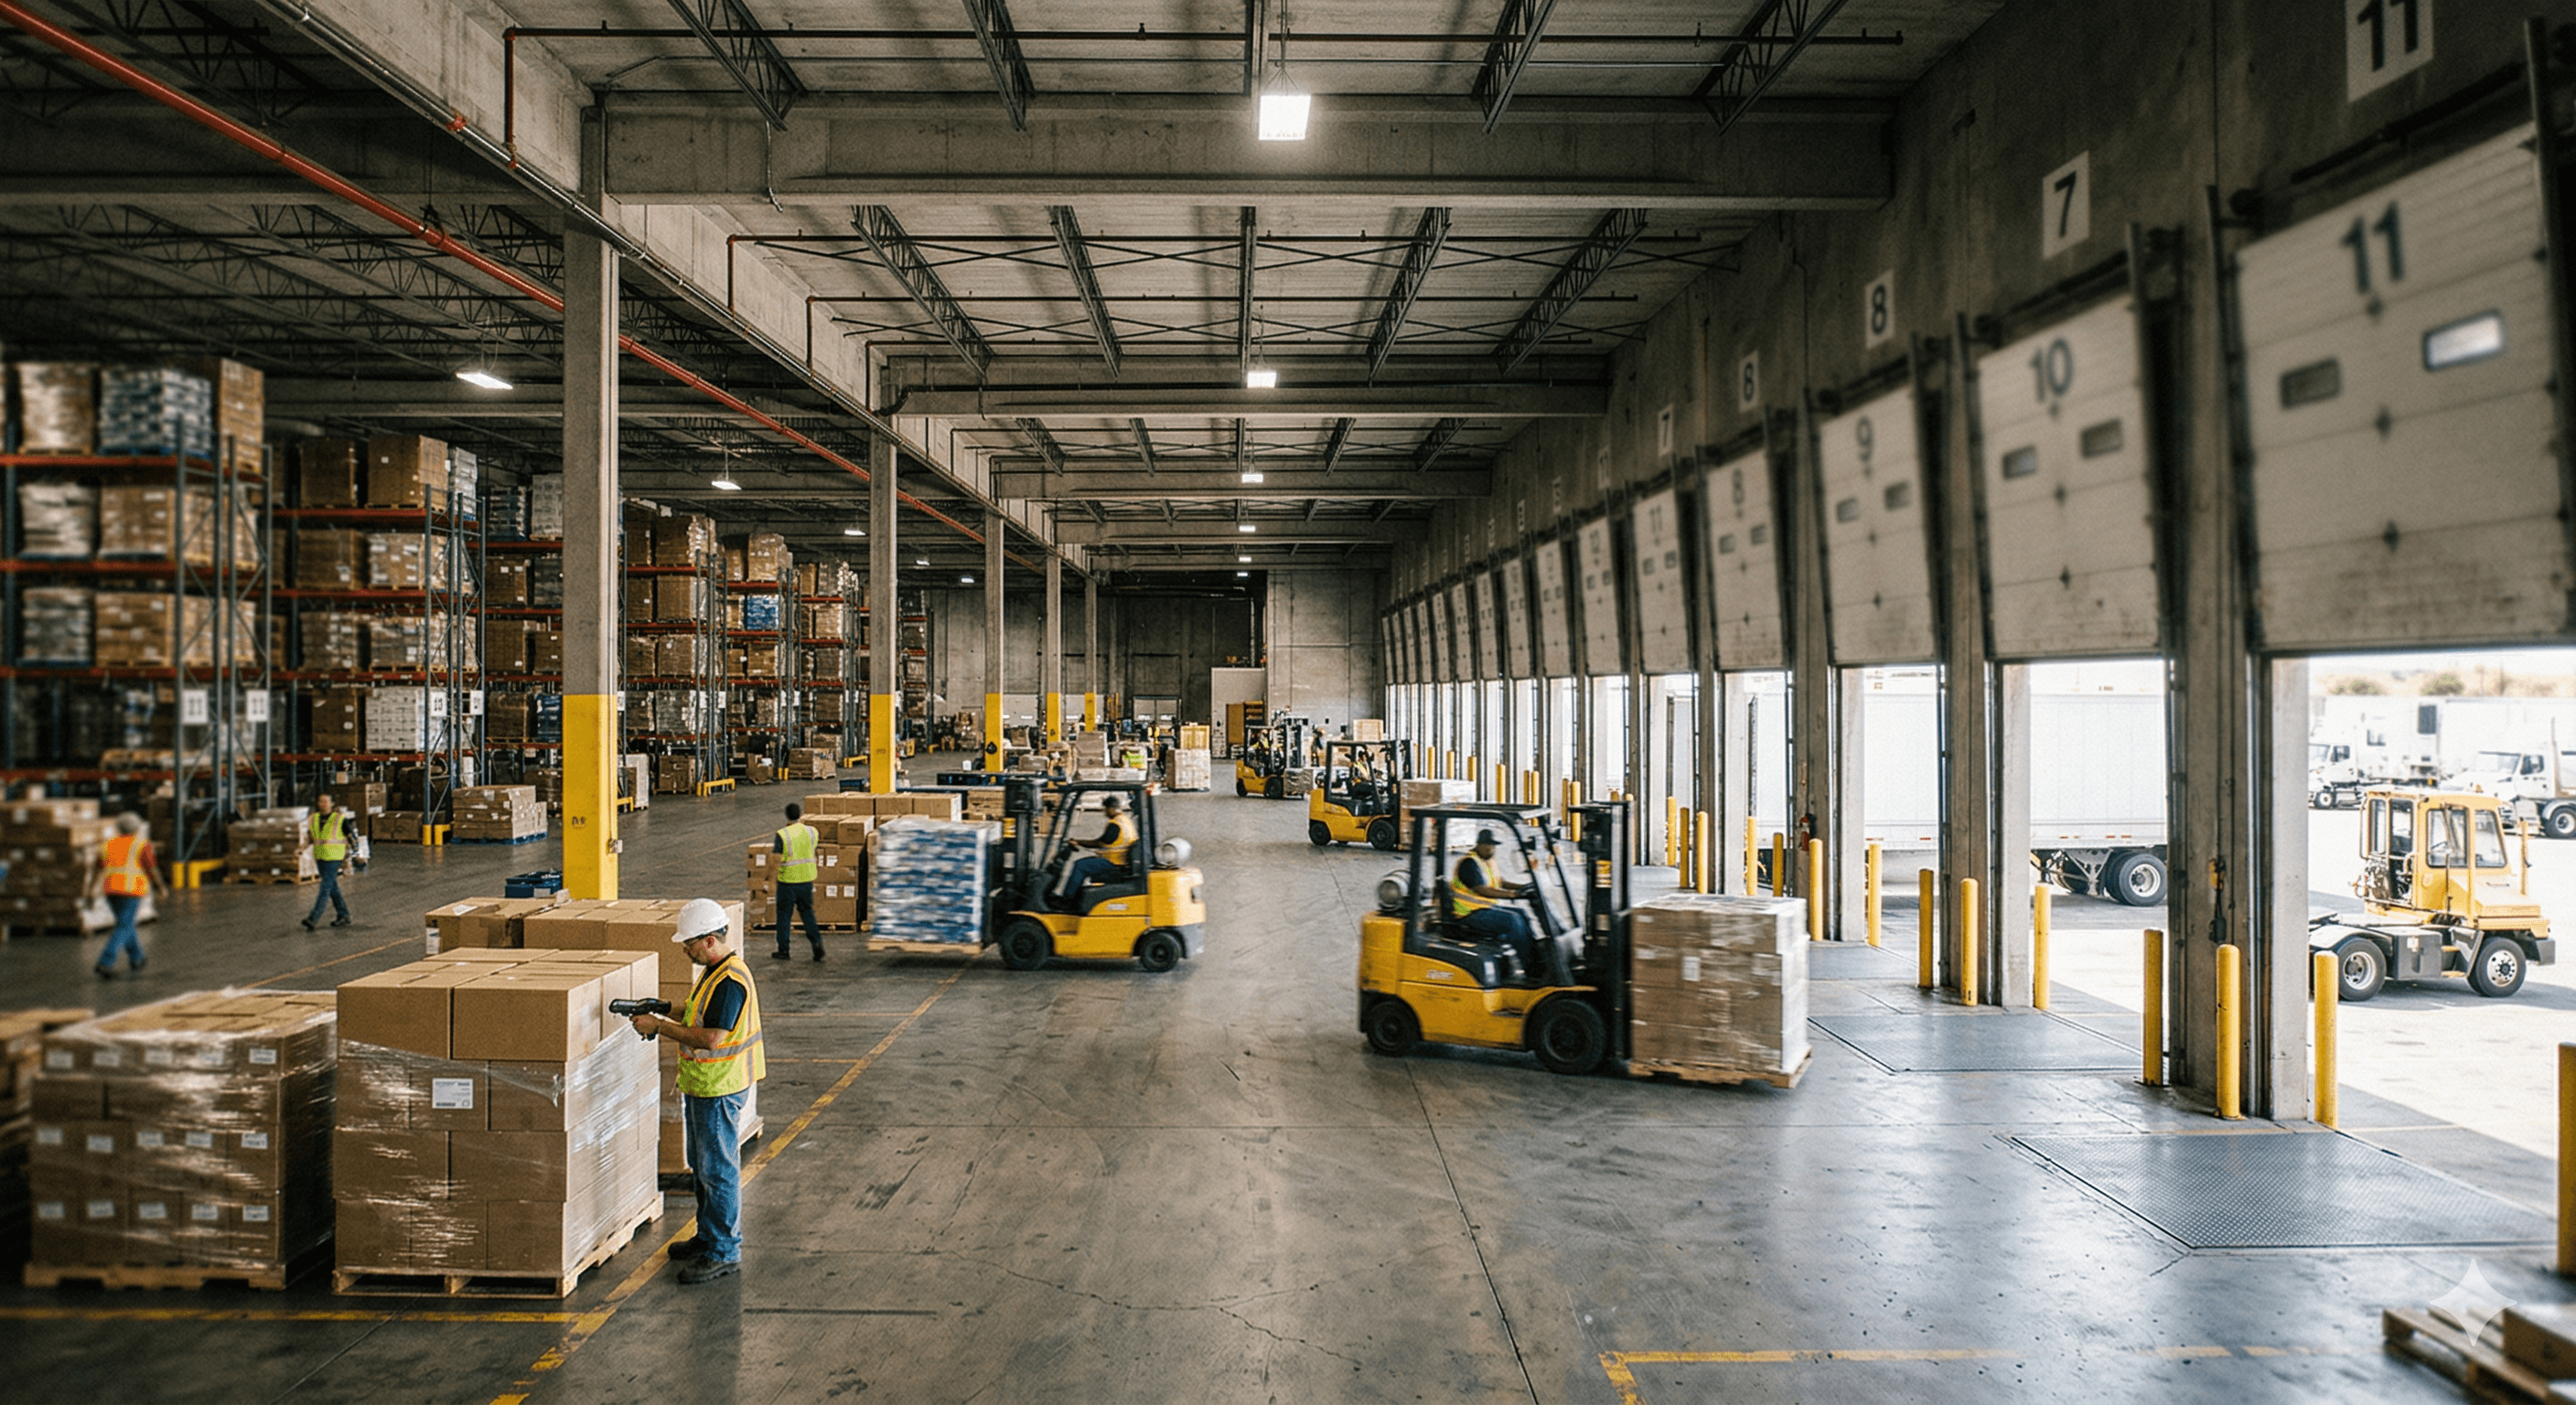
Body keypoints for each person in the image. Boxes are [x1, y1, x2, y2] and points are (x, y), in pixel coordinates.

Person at [629, 897, 765, 1285]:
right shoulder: (715, 971)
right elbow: (695, 1012)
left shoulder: (731, 981)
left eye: (688, 944)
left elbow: (712, 1038)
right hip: (704, 1086)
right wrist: (663, 1007)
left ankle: (724, 1250)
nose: (685, 951)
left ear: (708, 940)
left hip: (719, 1088)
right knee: (702, 1165)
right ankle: (708, 1236)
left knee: (718, 1170)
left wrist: (658, 1027)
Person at [1451, 829, 1542, 979]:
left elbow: (1500, 882)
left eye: (1493, 845)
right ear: (1478, 844)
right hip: (1468, 914)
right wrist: (1512, 895)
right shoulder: (1469, 863)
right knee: (1513, 920)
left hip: (1484, 909)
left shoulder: (1487, 862)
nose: (1490, 849)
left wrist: (1524, 887)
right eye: (1487, 845)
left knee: (1521, 913)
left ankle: (1536, 958)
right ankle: (1531, 969)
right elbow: (1482, 890)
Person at [88, 813, 166, 979]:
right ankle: (105, 961)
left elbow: (97, 869)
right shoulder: (142, 845)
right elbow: (151, 869)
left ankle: (137, 957)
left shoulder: (107, 845)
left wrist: (89, 891)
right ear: (138, 828)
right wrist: (161, 887)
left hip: (110, 891)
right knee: (124, 926)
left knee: (125, 924)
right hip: (131, 891)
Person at [1053, 793, 1137, 906]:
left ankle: (1067, 900)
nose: (1104, 812)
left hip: (1114, 862)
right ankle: (1075, 897)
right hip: (1118, 860)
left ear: (1111, 808)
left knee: (1080, 866)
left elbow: (1099, 842)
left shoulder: (1115, 824)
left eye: (1105, 809)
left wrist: (1078, 841)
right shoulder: (1124, 820)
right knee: (1084, 864)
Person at [771, 802, 824, 962]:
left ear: (787, 816)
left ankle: (784, 950)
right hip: (807, 880)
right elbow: (813, 849)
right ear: (800, 815)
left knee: (784, 916)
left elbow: (776, 859)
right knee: (807, 913)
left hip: (787, 882)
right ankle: (817, 944)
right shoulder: (811, 831)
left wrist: (770, 879)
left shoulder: (783, 834)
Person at [303, 794, 352, 931]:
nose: (323, 803)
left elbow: (349, 835)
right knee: (332, 888)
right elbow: (310, 837)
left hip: (335, 858)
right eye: (321, 801)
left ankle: (313, 918)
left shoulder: (339, 818)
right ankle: (343, 914)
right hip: (320, 858)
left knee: (324, 888)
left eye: (326, 801)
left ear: (332, 803)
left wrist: (356, 854)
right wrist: (300, 849)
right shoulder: (314, 818)